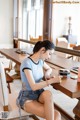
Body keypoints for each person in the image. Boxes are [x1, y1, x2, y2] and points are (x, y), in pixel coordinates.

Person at [17, 40, 61, 120]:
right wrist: (51, 81)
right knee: (55, 115)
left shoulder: (40, 61)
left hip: (38, 93)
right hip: (27, 97)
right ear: (42, 50)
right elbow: (33, 86)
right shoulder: (26, 63)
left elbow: (49, 69)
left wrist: (47, 74)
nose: (49, 57)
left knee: (48, 94)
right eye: (49, 53)